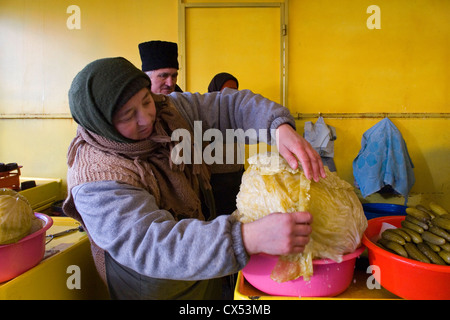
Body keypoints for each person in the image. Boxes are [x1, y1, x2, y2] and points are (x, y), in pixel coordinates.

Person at [63, 57, 326, 300]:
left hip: (205, 264)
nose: (146, 118)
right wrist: (246, 238)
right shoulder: (96, 177)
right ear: (102, 124)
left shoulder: (169, 111)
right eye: (128, 116)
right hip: (152, 287)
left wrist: (277, 128)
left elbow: (228, 105)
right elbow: (151, 244)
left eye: (146, 100)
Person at [207, 72, 243, 216]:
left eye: (234, 91)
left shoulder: (237, 116)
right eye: (226, 91)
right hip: (214, 186)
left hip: (235, 182)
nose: (231, 95)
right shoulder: (204, 117)